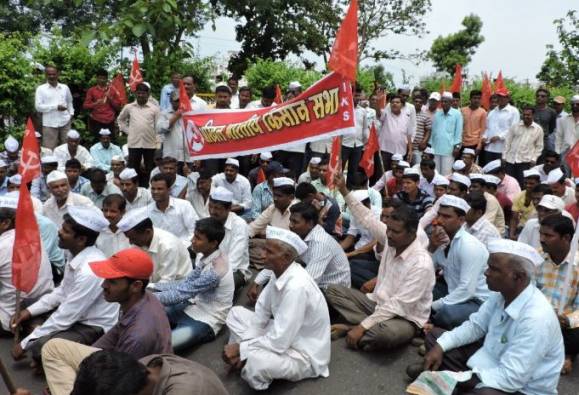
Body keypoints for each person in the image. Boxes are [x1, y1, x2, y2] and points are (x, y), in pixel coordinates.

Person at [410, 239, 564, 395]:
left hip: (522, 389)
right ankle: (447, 381)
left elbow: (511, 379)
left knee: (485, 393)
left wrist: (454, 377)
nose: (486, 272)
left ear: (518, 277)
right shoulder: (501, 295)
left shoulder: (536, 319)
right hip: (491, 363)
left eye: (494, 269)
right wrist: (440, 346)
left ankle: (447, 381)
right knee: (436, 338)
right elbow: (475, 326)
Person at [326, 172, 435, 351]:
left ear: (411, 233)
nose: (389, 235)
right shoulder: (391, 237)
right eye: (388, 230)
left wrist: (362, 327)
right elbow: (367, 218)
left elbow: (398, 305)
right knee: (332, 290)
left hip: (404, 317)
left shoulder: (421, 264)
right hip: (377, 304)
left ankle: (351, 328)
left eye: (395, 232)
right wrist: (344, 190)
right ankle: (365, 329)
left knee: (384, 335)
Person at [224, 226, 331, 390]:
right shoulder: (279, 272)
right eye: (264, 249)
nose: (262, 255)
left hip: (302, 353)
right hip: (286, 335)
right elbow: (261, 314)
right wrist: (245, 347)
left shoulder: (297, 286)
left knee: (256, 363)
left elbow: (279, 341)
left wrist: (241, 347)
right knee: (235, 313)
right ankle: (241, 360)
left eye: (269, 252)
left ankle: (250, 367)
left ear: (286, 257)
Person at [10, 207, 118, 364]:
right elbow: (61, 292)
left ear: (81, 239)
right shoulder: (75, 253)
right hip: (75, 315)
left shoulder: (90, 270)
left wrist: (26, 343)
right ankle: (42, 338)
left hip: (92, 326)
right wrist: (28, 312)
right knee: (25, 307)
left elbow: (67, 314)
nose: (59, 232)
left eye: (65, 231)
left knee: (42, 346)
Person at [153, 217, 234, 351]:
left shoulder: (216, 270)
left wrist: (148, 296)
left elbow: (181, 293)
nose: (192, 240)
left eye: (198, 238)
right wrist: (154, 287)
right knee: (152, 314)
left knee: (164, 346)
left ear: (213, 243)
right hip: (192, 306)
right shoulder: (207, 256)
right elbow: (186, 283)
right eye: (194, 236)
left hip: (207, 319)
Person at [248, 201, 350, 302]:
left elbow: (308, 281)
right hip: (319, 281)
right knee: (274, 281)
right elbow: (279, 259)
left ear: (310, 223)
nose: (291, 225)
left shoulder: (320, 243)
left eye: (295, 222)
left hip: (333, 292)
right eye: (290, 221)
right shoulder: (301, 234)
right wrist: (257, 282)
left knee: (282, 289)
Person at [429, 195, 490, 329]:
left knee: (446, 313)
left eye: (446, 217)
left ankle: (429, 325)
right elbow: (426, 272)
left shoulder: (469, 245)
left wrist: (433, 306)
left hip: (476, 300)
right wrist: (431, 248)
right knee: (420, 290)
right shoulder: (440, 239)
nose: (439, 221)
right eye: (439, 215)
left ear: (461, 220)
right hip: (452, 292)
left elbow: (466, 290)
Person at [0, 196, 53, 334]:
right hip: (40, 304)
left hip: (10, 314)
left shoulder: (3, 245)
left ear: (5, 223)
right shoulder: (32, 236)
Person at [537, 214, 579, 375]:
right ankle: (562, 355)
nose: (541, 239)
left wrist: (568, 320)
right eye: (541, 234)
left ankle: (567, 355)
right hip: (537, 316)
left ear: (566, 238)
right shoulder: (536, 258)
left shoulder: (577, 264)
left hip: (564, 322)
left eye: (548, 235)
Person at [117, 208, 192, 285]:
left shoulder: (168, 246)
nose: (130, 242)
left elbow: (166, 282)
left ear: (147, 232)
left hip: (178, 288)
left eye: (133, 238)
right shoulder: (138, 242)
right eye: (129, 238)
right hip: (152, 285)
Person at [117, 82, 161, 186]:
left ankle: (146, 190)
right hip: (134, 144)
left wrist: (158, 143)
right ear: (136, 93)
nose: (141, 95)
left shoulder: (154, 109)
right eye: (139, 93)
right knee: (133, 169)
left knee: (148, 169)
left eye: (143, 93)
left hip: (150, 144)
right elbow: (120, 120)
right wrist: (128, 131)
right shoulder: (129, 107)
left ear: (148, 94)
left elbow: (158, 127)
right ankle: (133, 188)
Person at [208, 187, 250, 291]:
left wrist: (209, 277)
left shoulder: (240, 225)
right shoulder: (209, 221)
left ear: (228, 208)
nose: (212, 212)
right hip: (208, 269)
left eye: (217, 208)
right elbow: (202, 252)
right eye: (210, 207)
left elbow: (233, 261)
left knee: (217, 287)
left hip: (234, 271)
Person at [147, 173, 198, 246]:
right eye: (153, 189)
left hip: (184, 248)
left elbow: (194, 230)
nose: (155, 192)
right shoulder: (147, 211)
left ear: (169, 190)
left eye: (159, 189)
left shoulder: (184, 206)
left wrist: (183, 246)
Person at [502, 106, 544, 187]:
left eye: (528, 115)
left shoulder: (538, 129)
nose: (525, 116)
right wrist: (504, 156)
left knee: (522, 183)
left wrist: (534, 159)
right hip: (511, 160)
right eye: (524, 114)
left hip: (525, 161)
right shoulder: (515, 126)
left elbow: (539, 147)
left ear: (533, 115)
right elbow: (507, 142)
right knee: (508, 183)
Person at [35, 65, 74, 150]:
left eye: (53, 74)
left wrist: (71, 114)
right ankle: (50, 164)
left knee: (68, 147)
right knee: (49, 149)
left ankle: (67, 163)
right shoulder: (41, 89)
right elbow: (38, 107)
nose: (52, 76)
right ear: (45, 75)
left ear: (58, 74)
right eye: (49, 74)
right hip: (49, 124)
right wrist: (55, 107)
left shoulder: (64, 87)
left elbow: (69, 102)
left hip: (65, 121)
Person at [480, 88, 520, 166]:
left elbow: (513, 129)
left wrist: (499, 137)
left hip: (503, 149)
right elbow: (488, 128)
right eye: (498, 96)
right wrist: (484, 137)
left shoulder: (513, 111)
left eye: (502, 97)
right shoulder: (492, 112)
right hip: (489, 148)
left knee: (501, 173)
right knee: (489, 171)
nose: (500, 99)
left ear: (508, 98)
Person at [429, 92, 463, 176]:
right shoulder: (437, 114)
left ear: (451, 102)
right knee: (435, 173)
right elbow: (433, 131)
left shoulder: (457, 114)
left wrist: (457, 147)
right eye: (442, 101)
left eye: (446, 102)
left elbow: (458, 132)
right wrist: (430, 146)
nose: (443, 103)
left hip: (449, 149)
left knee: (446, 174)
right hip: (435, 148)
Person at [156, 91, 191, 170]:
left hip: (188, 156)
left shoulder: (190, 113)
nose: (179, 103)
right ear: (171, 101)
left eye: (181, 100)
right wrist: (175, 117)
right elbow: (159, 129)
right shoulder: (164, 114)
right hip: (171, 156)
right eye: (177, 101)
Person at [342, 85, 372, 179]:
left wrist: (365, 141)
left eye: (359, 96)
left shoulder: (363, 111)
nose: (357, 98)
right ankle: (336, 191)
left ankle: (350, 190)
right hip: (344, 144)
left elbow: (364, 128)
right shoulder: (343, 108)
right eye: (355, 95)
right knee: (340, 168)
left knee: (353, 170)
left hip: (358, 145)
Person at [379, 95, 413, 171]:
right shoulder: (386, 114)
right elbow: (378, 113)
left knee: (399, 173)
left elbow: (409, 135)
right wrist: (379, 100)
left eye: (397, 102)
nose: (394, 104)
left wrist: (410, 150)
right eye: (392, 102)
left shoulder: (407, 118)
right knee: (384, 173)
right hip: (385, 150)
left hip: (401, 151)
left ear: (402, 105)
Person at [82, 69, 121, 137]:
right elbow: (85, 106)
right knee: (97, 143)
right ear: (97, 78)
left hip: (110, 120)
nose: (102, 80)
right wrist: (95, 104)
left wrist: (110, 99)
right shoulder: (91, 90)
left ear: (107, 79)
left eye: (104, 78)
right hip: (96, 121)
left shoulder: (112, 90)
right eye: (100, 78)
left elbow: (118, 108)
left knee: (110, 143)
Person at [509, 169, 541, 239]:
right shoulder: (519, 196)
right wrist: (511, 235)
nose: (527, 186)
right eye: (525, 183)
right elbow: (514, 218)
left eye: (531, 183)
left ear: (538, 183)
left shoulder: (543, 196)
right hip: (522, 228)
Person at [461, 90, 487, 155]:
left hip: (474, 143)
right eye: (474, 98)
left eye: (479, 98)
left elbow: (482, 131)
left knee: (469, 164)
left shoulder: (483, 112)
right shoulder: (462, 110)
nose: (477, 100)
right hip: (462, 143)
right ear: (470, 99)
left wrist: (479, 146)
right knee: (459, 164)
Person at [534, 87, 558, 152]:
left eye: (542, 96)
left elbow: (552, 128)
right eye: (538, 96)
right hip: (530, 140)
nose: (539, 97)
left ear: (547, 98)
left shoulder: (552, 112)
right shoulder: (531, 110)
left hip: (544, 141)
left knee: (542, 161)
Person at [411, 95, 432, 165]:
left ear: (422, 104)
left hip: (418, 147)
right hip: (406, 147)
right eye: (416, 102)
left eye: (420, 102)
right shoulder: (407, 114)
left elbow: (428, 130)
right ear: (413, 102)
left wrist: (424, 142)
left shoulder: (426, 116)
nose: (418, 103)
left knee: (417, 166)